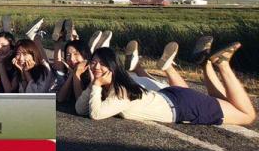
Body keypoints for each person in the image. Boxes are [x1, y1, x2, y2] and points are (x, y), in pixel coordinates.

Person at [76, 43, 255, 126]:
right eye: (93, 62)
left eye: (102, 63)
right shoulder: (114, 85)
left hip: (183, 106)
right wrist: (93, 86)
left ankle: (223, 65)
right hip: (174, 97)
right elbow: (80, 109)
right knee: (220, 102)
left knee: (247, 116)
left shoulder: (121, 91)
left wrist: (96, 85)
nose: (96, 67)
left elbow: (96, 114)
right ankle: (205, 64)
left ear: (113, 67)